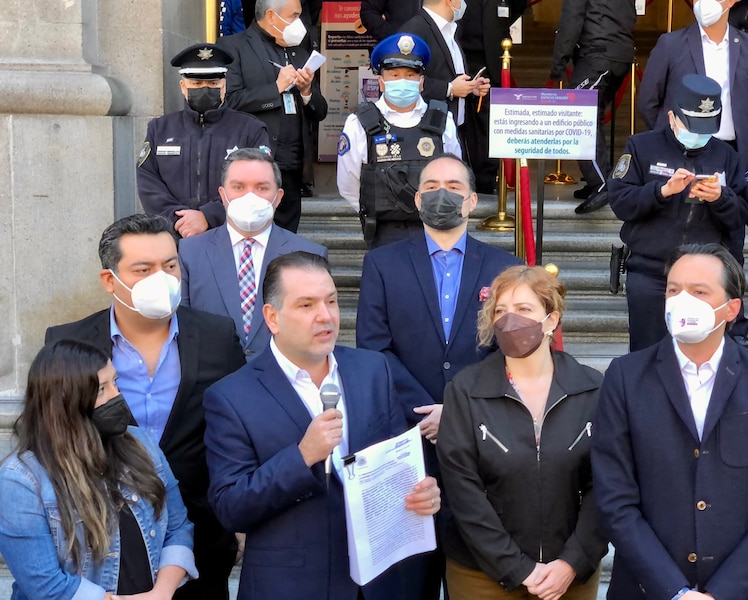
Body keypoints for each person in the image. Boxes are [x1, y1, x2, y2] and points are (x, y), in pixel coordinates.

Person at [203, 251, 442, 599]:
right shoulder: (231, 396)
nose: (325, 315)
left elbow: (396, 464)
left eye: (331, 300)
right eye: (306, 305)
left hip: (379, 583)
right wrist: (302, 457)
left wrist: (422, 494)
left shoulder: (374, 370)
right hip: (291, 586)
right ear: (272, 317)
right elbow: (230, 507)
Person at [45, 214, 246, 600]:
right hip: (100, 547)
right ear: (110, 280)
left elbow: (239, 428)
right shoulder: (67, 343)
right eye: (144, 269)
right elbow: (53, 438)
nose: (162, 278)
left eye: (170, 265)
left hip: (201, 540)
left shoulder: (218, 336)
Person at [592, 243, 748, 600]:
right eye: (673, 290)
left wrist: (723, 592)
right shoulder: (625, 377)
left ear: (731, 308)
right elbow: (615, 499)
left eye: (699, 291)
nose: (681, 300)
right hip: (646, 590)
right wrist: (674, 591)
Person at [356, 153, 521, 599]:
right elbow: (374, 348)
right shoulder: (382, 264)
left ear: (470, 201)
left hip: (483, 439)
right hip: (407, 439)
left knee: (476, 575)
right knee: (411, 577)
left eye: (452, 186)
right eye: (430, 186)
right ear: (416, 200)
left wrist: (458, 408)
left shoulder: (506, 266)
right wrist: (428, 410)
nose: (441, 194)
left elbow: (514, 348)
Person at [437, 265, 607, 599]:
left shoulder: (591, 388)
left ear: (552, 321)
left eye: (524, 309)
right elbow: (463, 492)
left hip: (570, 576)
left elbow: (604, 485)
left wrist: (572, 562)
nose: (509, 320)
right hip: (482, 576)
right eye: (501, 311)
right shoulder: (466, 390)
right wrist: (517, 568)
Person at [0, 340, 198, 599]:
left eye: (115, 382)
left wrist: (160, 593)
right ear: (67, 402)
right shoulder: (22, 480)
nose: (116, 396)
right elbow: (45, 586)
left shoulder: (142, 444)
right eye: (102, 389)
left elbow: (178, 527)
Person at [608, 74, 748, 352]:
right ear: (672, 117)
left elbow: (742, 215)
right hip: (651, 273)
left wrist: (721, 198)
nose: (699, 135)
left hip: (704, 276)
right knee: (647, 354)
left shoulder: (727, 156)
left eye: (706, 128)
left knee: (702, 355)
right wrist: (661, 192)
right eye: (692, 126)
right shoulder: (641, 147)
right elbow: (620, 202)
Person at [180, 148, 327, 361]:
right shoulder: (190, 252)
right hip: (211, 383)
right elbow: (183, 327)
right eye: (238, 187)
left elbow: (316, 329)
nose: (250, 196)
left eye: (262, 188)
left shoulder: (310, 255)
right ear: (223, 195)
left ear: (278, 198)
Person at [337, 33, 461, 248]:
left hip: (434, 230)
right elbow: (348, 183)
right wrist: (375, 207)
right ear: (382, 82)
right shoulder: (359, 123)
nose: (402, 81)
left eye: (410, 75)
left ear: (421, 82)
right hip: (384, 232)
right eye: (394, 75)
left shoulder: (442, 120)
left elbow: (454, 175)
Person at [136, 43, 272, 239]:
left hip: (231, 236)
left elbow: (260, 182)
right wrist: (180, 221)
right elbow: (148, 182)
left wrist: (208, 216)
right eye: (197, 84)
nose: (205, 89)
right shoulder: (160, 129)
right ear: (183, 87)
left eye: (213, 84)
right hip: (174, 238)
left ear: (224, 86)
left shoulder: (250, 129)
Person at [218, 0, 329, 233]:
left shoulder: (299, 51)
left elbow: (320, 111)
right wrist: (276, 88)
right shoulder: (233, 46)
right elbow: (229, 102)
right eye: (294, 16)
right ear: (271, 16)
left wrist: (307, 91)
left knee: (287, 238)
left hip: (293, 165)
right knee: (252, 233)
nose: (299, 23)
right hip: (254, 162)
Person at [638, 0, 748, 165]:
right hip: (678, 152)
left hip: (732, 152)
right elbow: (648, 102)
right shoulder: (671, 44)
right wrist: (670, 134)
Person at [550, 0, 636, 214]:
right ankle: (595, 179)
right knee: (590, 118)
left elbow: (571, 21)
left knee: (579, 118)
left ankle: (602, 183)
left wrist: (558, 63)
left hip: (597, 55)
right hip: (619, 55)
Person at [457, 0, 528, 194]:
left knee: (488, 123)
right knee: (463, 122)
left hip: (493, 60)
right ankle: (463, 174)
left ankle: (486, 178)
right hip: (462, 56)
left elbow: (517, 6)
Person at [402, 0, 491, 130]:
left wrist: (471, 87)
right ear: (450, 1)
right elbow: (405, 81)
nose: (463, 3)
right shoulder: (415, 30)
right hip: (427, 131)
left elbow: (447, 74)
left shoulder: (449, 31)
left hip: (453, 129)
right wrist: (449, 89)